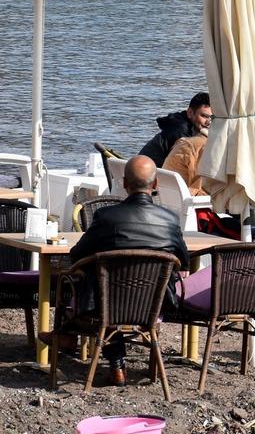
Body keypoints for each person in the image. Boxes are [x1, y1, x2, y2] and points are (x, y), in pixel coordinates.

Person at [69, 155, 189, 386]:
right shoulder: (170, 220)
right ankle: (143, 368)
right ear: (155, 185)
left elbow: (77, 255)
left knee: (81, 278)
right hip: (154, 304)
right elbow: (183, 260)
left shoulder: (106, 216)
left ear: (125, 183)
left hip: (108, 303)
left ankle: (110, 361)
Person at [139, 92, 212, 167]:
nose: (209, 122)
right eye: (204, 116)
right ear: (190, 113)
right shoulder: (181, 131)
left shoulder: (189, 127)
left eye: (212, 117)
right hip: (147, 171)